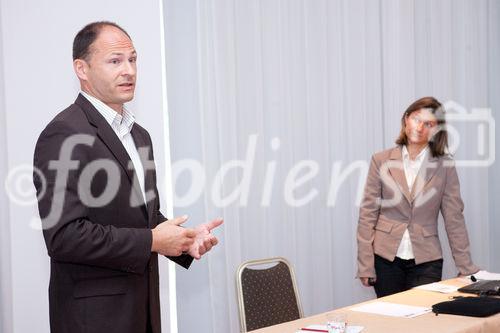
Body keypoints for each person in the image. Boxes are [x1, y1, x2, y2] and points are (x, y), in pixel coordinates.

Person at [32, 21, 223, 333]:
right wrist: (152, 240)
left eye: (133, 60)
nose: (129, 71)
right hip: (93, 320)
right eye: (115, 61)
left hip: (142, 311)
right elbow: (64, 237)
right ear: (82, 69)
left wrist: (183, 241)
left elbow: (143, 218)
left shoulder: (140, 135)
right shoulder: (63, 134)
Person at [356, 96, 479, 298]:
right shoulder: (381, 160)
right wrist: (365, 264)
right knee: (390, 322)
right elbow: (368, 213)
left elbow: (454, 217)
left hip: (427, 259)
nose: (420, 127)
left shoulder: (444, 165)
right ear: (406, 119)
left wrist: (465, 266)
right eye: (416, 119)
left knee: (422, 321)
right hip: (385, 258)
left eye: (428, 123)